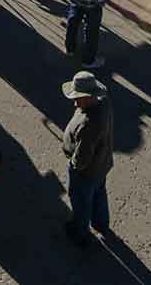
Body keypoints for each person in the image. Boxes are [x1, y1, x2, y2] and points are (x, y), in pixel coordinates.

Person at [61, 71, 115, 247]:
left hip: (86, 172)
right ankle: (101, 223)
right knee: (99, 193)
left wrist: (74, 166)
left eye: (79, 98)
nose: (75, 102)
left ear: (91, 96)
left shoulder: (88, 123)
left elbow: (82, 157)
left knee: (81, 202)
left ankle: (80, 232)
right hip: (102, 163)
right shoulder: (103, 103)